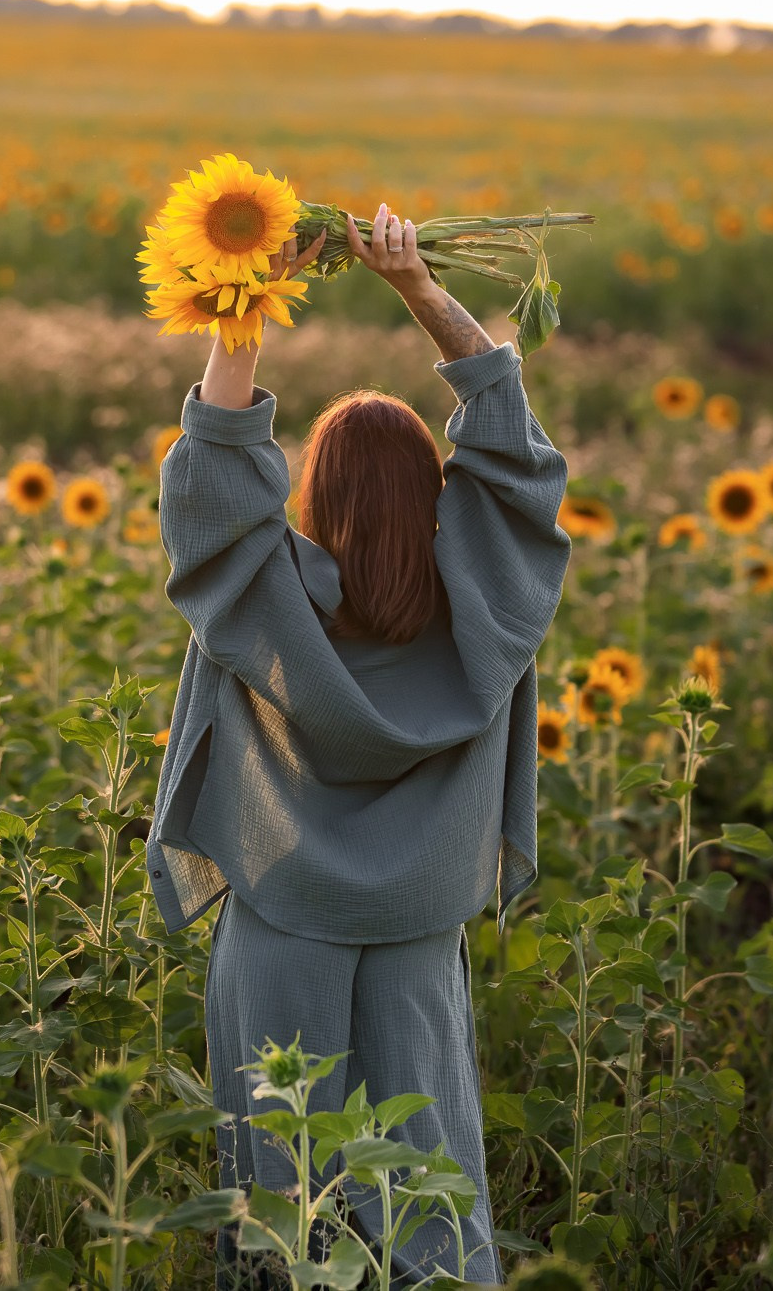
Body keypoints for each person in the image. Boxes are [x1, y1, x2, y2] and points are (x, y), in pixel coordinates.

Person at [147, 203, 572, 1286]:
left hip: (280, 927)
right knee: (423, 1192)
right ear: (435, 495)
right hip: (416, 935)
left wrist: (244, 305)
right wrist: (421, 292)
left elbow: (210, 483)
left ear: (311, 498)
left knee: (284, 1201)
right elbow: (518, 475)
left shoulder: (268, 598)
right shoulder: (484, 610)